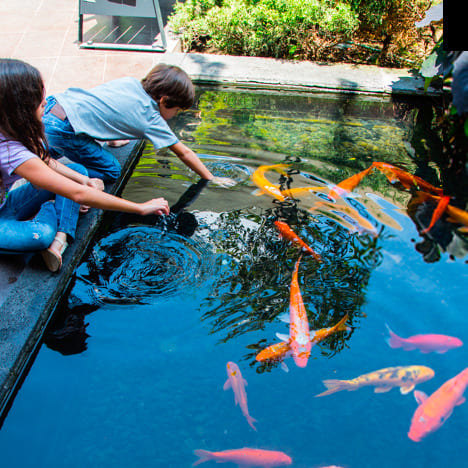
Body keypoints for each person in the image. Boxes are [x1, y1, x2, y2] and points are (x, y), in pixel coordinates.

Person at [0, 58, 170, 272]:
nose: (46, 104)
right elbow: (79, 195)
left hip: (5, 204)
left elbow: (47, 162)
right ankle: (53, 215)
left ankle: (60, 228)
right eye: (40, 101)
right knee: (41, 235)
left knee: (77, 171)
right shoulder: (9, 152)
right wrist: (140, 208)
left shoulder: (9, 129)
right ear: (19, 109)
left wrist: (84, 180)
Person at [42, 63, 236, 186]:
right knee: (112, 170)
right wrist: (211, 178)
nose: (175, 115)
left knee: (56, 149)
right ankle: (60, 176)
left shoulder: (130, 83)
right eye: (176, 110)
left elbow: (108, 107)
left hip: (52, 107)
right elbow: (183, 152)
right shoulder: (151, 119)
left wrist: (113, 139)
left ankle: (43, 154)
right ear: (164, 100)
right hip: (64, 129)